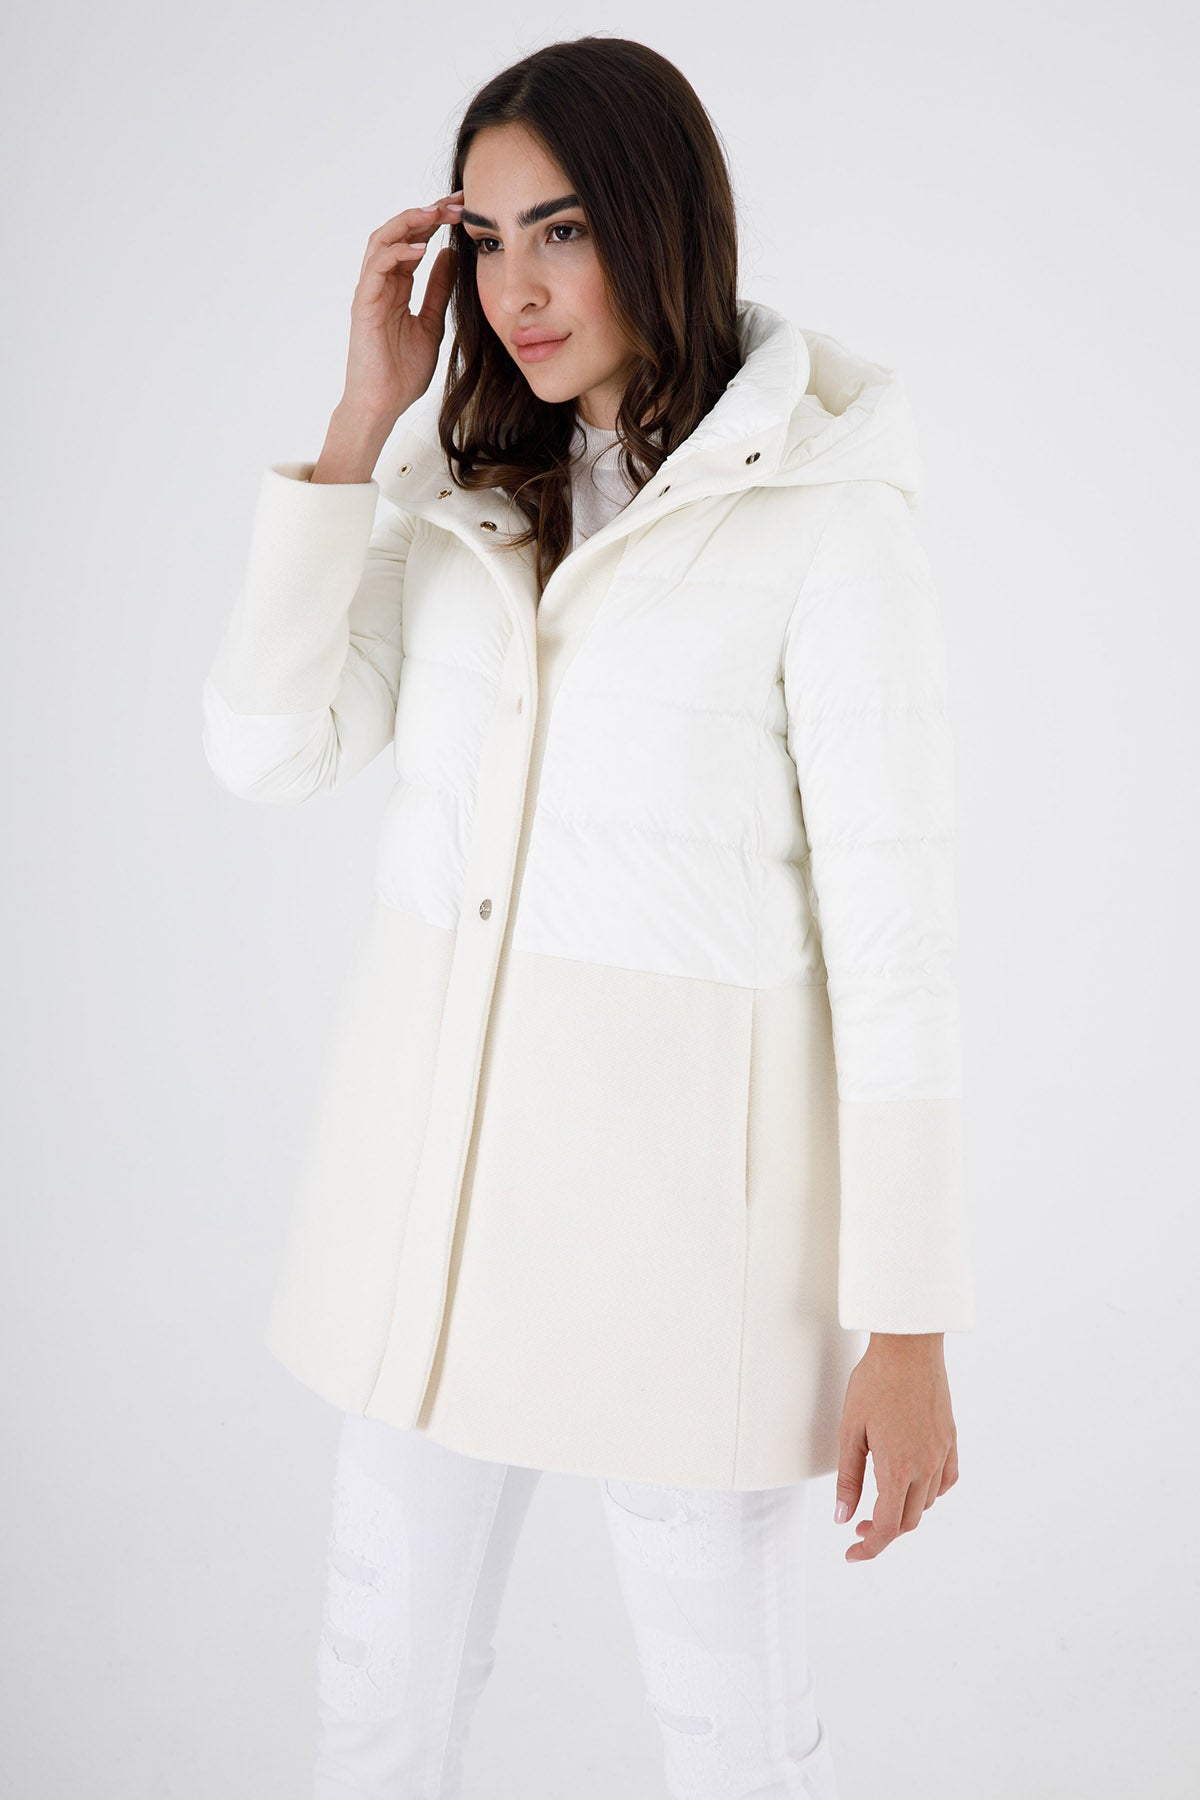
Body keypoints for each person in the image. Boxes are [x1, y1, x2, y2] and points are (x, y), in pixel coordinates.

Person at [201, 33, 976, 1800]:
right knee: (376, 1704)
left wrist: (910, 1321)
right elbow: (268, 751)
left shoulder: (828, 520)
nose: (518, 290)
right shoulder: (458, 490)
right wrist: (357, 426)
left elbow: (900, 932)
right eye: (484, 242)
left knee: (732, 1739)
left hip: (687, 1244)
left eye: (561, 230)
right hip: (436, 1213)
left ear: (658, 218)